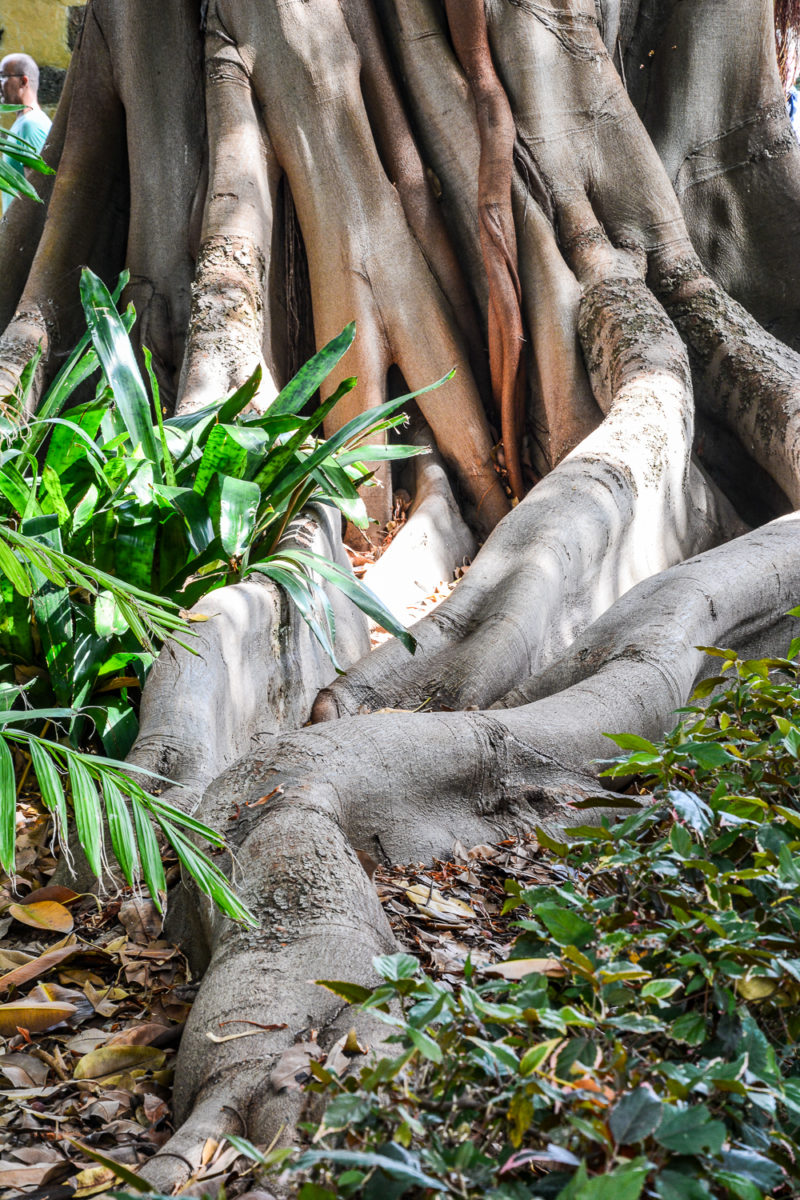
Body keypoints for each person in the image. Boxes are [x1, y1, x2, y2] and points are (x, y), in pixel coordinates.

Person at [0, 53, 51, 215]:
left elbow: (39, 191)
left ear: (23, 81)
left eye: (3, 76)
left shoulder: (31, 125)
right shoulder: (22, 124)